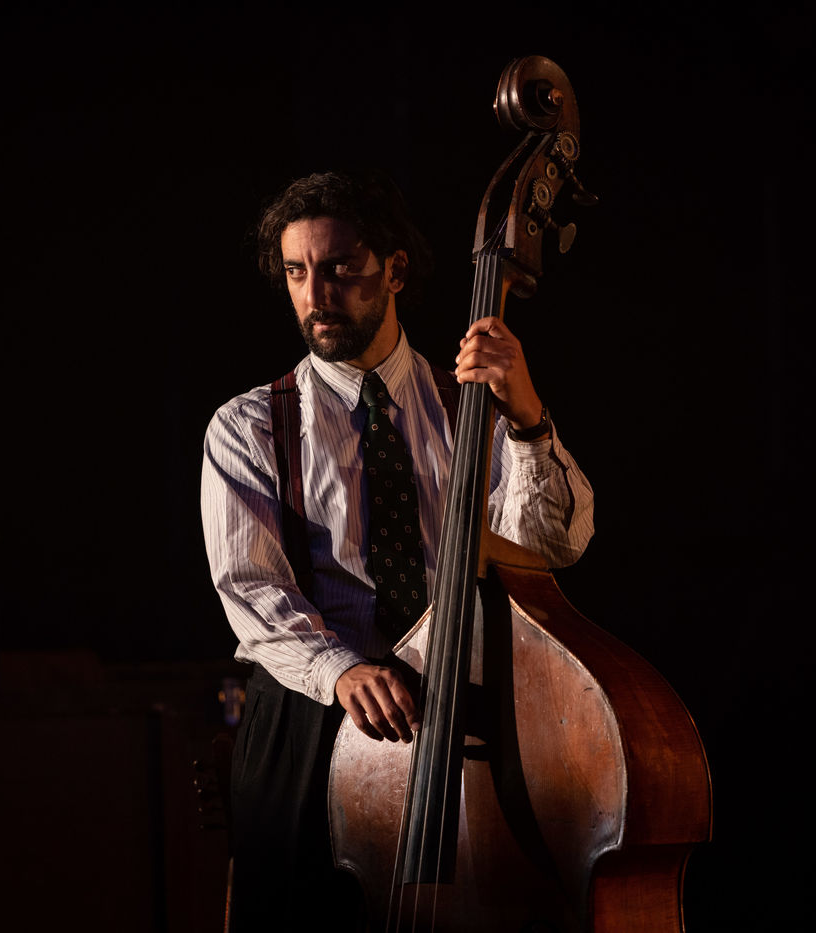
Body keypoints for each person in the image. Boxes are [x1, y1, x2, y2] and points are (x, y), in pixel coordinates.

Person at [200, 169, 594, 931]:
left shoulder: (468, 405)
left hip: (462, 716)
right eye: (296, 272)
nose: (316, 294)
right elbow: (251, 587)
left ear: (396, 270)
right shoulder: (248, 425)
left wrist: (527, 418)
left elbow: (552, 545)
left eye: (340, 267)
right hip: (313, 718)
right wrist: (343, 669)